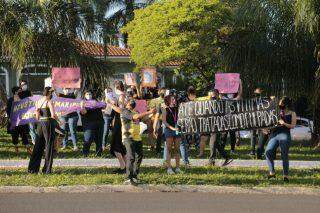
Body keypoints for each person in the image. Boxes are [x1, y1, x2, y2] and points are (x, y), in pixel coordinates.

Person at [108, 99, 155, 185]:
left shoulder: (135, 111)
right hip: (128, 137)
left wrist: (152, 113)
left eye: (133, 101)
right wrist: (148, 112)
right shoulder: (125, 111)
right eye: (130, 101)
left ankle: (134, 176)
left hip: (137, 138)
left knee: (139, 156)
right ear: (127, 104)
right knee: (131, 157)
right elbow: (135, 117)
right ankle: (128, 178)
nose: (132, 102)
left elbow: (142, 118)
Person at [28, 87, 59, 174]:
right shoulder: (49, 102)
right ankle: (46, 170)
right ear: (49, 94)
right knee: (49, 145)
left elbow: (37, 117)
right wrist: (60, 122)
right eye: (51, 93)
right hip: (48, 123)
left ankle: (33, 169)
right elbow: (53, 115)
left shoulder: (38, 102)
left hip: (40, 124)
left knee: (38, 146)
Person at [265, 97, 296, 182]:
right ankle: (272, 172)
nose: (279, 105)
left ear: (285, 105)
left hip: (285, 134)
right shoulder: (277, 112)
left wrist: (284, 123)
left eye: (281, 103)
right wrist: (266, 128)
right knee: (268, 151)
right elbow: (270, 121)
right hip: (274, 134)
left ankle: (285, 175)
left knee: (284, 154)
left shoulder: (292, 113)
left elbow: (292, 126)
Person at [207, 89, 233, 166]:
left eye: (214, 95)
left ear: (218, 95)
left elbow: (227, 114)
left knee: (212, 142)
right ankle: (226, 156)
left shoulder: (222, 103)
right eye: (212, 96)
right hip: (210, 125)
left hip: (218, 125)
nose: (213, 97)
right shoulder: (208, 103)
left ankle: (211, 161)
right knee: (216, 143)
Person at [6, 86, 32, 154]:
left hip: (22, 120)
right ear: (15, 92)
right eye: (19, 90)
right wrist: (10, 118)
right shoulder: (10, 100)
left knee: (24, 135)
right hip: (14, 121)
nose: (21, 91)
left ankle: (28, 148)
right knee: (14, 135)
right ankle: (16, 148)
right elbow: (8, 110)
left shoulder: (23, 99)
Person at [80, 90, 104, 157]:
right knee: (88, 139)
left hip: (99, 123)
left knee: (99, 139)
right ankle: (85, 154)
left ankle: (99, 154)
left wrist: (103, 101)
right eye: (87, 94)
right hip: (89, 125)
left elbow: (104, 107)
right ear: (84, 95)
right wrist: (82, 106)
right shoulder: (84, 103)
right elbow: (83, 112)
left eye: (90, 94)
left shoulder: (96, 102)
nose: (89, 95)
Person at [110, 81, 127, 174]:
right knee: (121, 146)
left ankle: (123, 167)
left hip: (120, 122)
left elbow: (121, 110)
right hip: (120, 122)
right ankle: (126, 166)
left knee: (116, 146)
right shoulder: (123, 96)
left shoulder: (121, 97)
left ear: (116, 88)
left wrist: (111, 104)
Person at [162, 94, 182, 174]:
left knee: (177, 149)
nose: (175, 100)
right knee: (169, 149)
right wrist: (172, 128)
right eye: (173, 99)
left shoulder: (178, 108)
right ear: (169, 100)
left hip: (177, 130)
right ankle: (169, 168)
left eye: (175, 99)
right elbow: (164, 121)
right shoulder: (165, 109)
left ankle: (177, 167)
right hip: (169, 130)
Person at [19, 81, 37, 145]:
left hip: (30, 112)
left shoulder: (29, 92)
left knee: (32, 127)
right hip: (22, 112)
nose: (24, 85)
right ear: (20, 86)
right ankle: (25, 141)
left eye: (25, 84)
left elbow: (33, 99)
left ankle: (34, 141)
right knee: (23, 128)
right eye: (22, 84)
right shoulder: (19, 93)